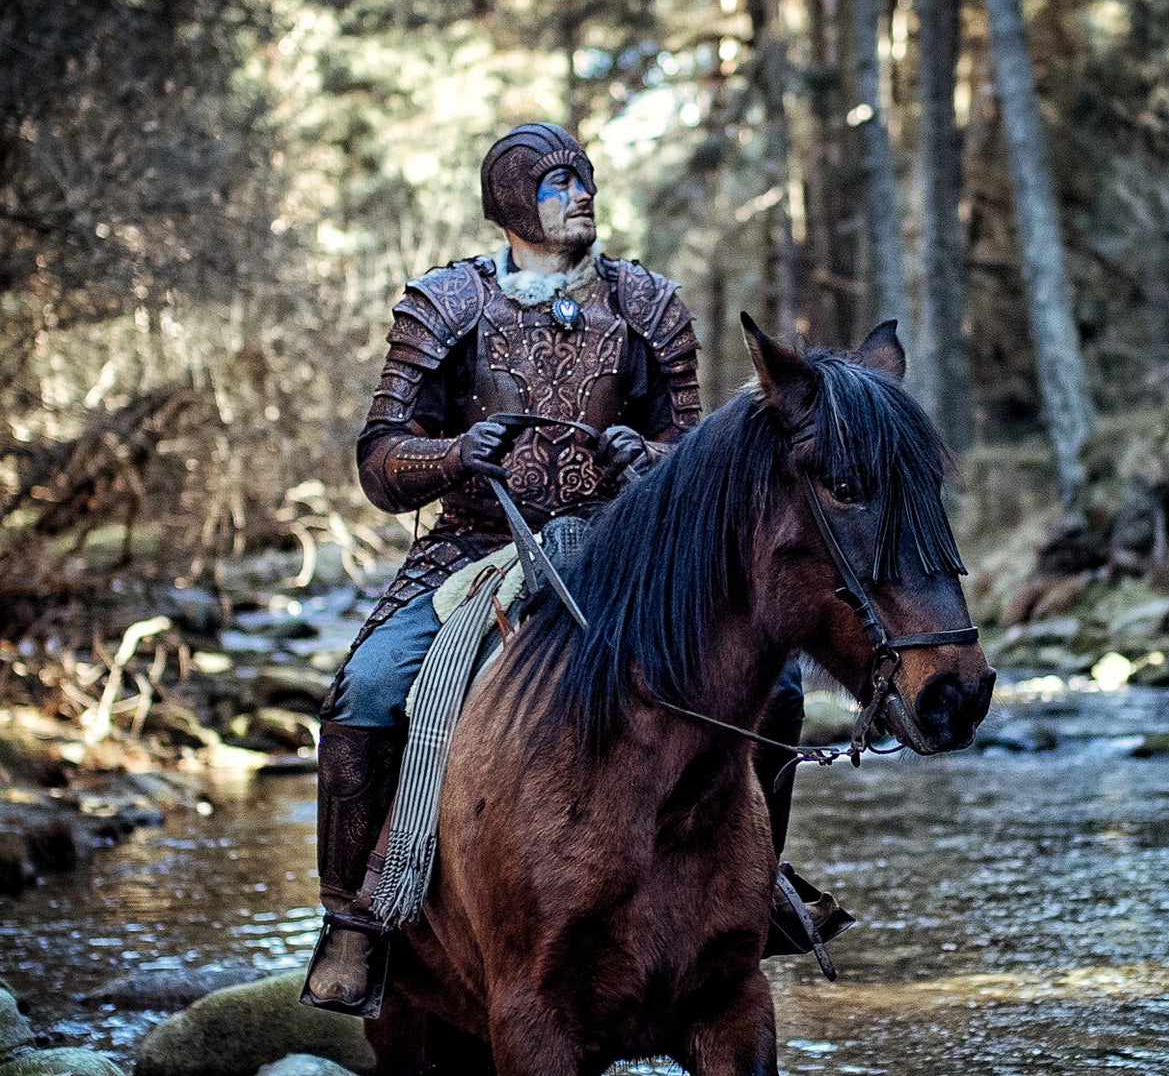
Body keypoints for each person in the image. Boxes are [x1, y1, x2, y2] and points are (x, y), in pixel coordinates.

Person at [303, 122, 818, 1015]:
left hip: (631, 550)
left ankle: (754, 884)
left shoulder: (648, 305)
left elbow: (695, 454)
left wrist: (648, 460)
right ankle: (357, 920)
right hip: (474, 548)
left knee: (778, 690)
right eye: (556, 185)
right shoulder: (443, 304)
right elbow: (380, 460)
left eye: (582, 179)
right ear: (510, 203)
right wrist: (458, 453)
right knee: (366, 692)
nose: (580, 195)